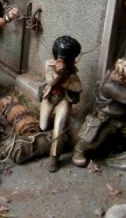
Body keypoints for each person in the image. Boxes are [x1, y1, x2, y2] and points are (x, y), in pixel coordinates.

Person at [39, 36, 83, 172]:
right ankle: (51, 129)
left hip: (64, 99)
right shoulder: (49, 64)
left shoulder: (72, 70)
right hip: (49, 98)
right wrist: (58, 73)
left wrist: (67, 78)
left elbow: (78, 88)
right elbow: (50, 81)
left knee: (59, 128)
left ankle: (54, 158)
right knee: (43, 125)